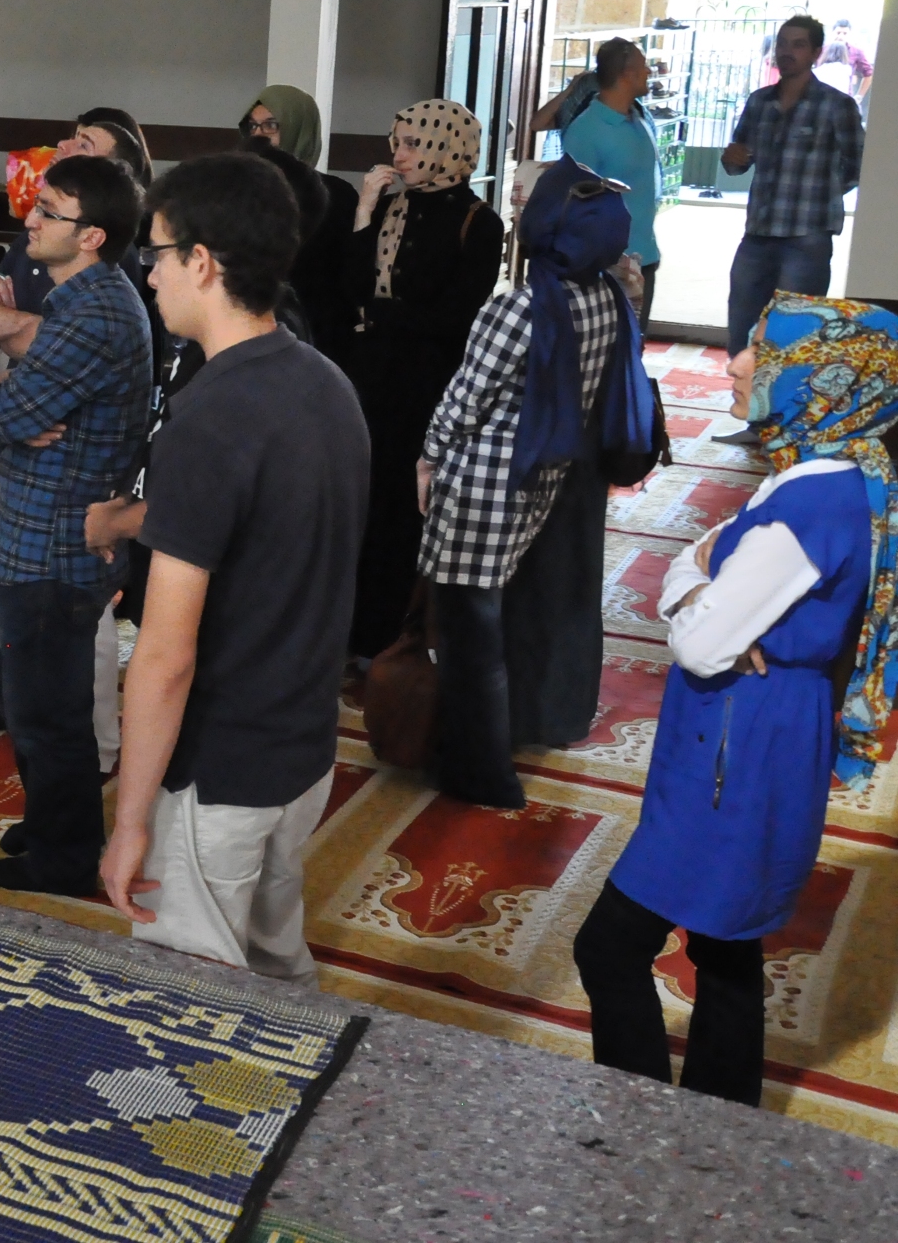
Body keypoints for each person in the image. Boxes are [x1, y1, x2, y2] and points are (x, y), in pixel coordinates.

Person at [573, 296, 894, 1106]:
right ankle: (721, 1122)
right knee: (724, 948)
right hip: (764, 735)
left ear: (820, 381)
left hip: (733, 749)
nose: (739, 364)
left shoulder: (804, 510)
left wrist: (693, 590)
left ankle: (640, 1116)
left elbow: (700, 642)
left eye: (761, 351)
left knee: (608, 947)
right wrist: (700, 583)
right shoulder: (833, 476)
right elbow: (698, 567)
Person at [99, 153, 368, 983]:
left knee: (191, 1004)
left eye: (158, 253)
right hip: (303, 749)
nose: (149, 274)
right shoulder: (326, 382)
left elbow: (166, 656)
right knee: (278, 969)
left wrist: (130, 819)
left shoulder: (211, 418)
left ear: (203, 262)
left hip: (221, 769)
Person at [418, 158, 632, 807]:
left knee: (470, 639)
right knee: (483, 630)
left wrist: (427, 460)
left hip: (482, 483)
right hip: (540, 478)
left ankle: (483, 774)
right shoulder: (606, 297)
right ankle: (475, 756)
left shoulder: (520, 306)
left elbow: (465, 402)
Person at [0, 154, 151, 896]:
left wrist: (2, 412)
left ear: (92, 236)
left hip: (54, 546)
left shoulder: (97, 314)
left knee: (49, 713)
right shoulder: (78, 300)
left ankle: (66, 857)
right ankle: (54, 822)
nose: (30, 217)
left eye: (49, 210)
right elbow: (15, 414)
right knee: (15, 687)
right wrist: (15, 412)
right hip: (34, 535)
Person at [345, 101, 502, 661]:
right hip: (372, 379)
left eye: (413, 142)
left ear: (446, 147)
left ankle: (393, 643)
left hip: (427, 389)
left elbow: (456, 317)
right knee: (364, 505)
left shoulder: (479, 223)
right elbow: (353, 288)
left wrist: (381, 315)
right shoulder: (392, 206)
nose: (400, 154)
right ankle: (354, 634)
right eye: (398, 141)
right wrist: (365, 210)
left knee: (404, 513)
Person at [722, 15, 864, 356]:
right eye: (782, 44)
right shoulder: (759, 102)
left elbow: (858, 166)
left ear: (816, 53)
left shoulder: (837, 105)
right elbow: (735, 163)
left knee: (794, 338)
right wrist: (732, 157)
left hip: (807, 239)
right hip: (757, 235)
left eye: (798, 45)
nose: (787, 52)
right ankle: (745, 388)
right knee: (741, 330)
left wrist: (822, 195)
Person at [239, 86, 358, 363]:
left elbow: (345, 277)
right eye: (253, 126)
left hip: (318, 334)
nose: (259, 135)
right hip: (252, 328)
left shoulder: (335, 194)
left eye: (271, 125)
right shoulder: (238, 190)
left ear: (300, 129)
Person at [558, 39, 663, 322]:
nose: (649, 72)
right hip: (607, 266)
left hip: (643, 257)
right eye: (643, 67)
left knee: (635, 343)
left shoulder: (638, 118)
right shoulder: (586, 130)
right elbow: (571, 203)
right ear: (626, 74)